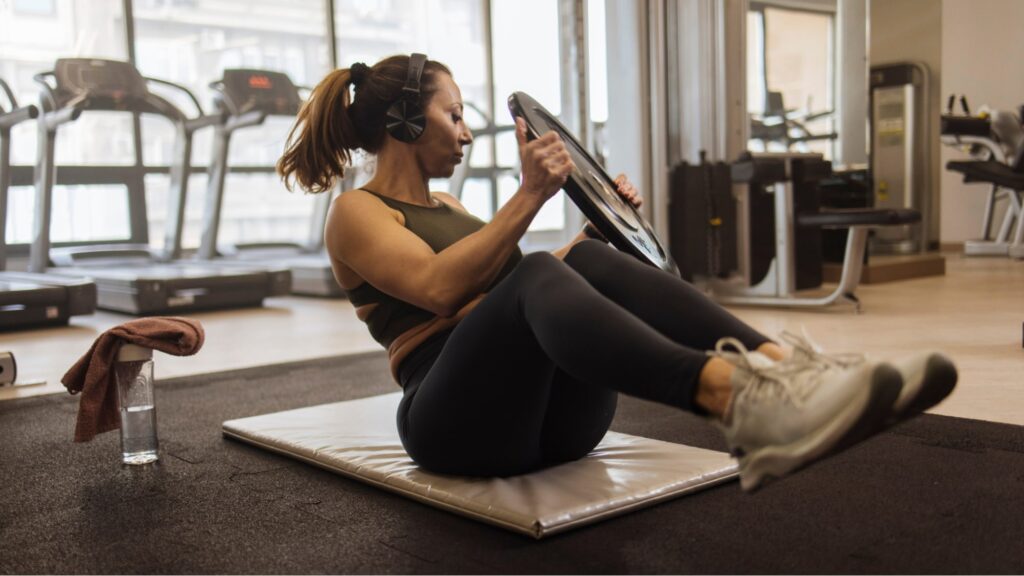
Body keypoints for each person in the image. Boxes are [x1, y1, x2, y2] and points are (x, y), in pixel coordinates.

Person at [277, 54, 957, 491]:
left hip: (557, 424)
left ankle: (789, 372)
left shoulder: (451, 204)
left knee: (583, 256)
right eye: (452, 115)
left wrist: (599, 227)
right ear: (401, 119)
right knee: (544, 265)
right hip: (457, 424)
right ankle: (735, 400)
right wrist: (530, 194)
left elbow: (516, 290)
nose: (465, 131)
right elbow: (441, 289)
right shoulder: (356, 213)